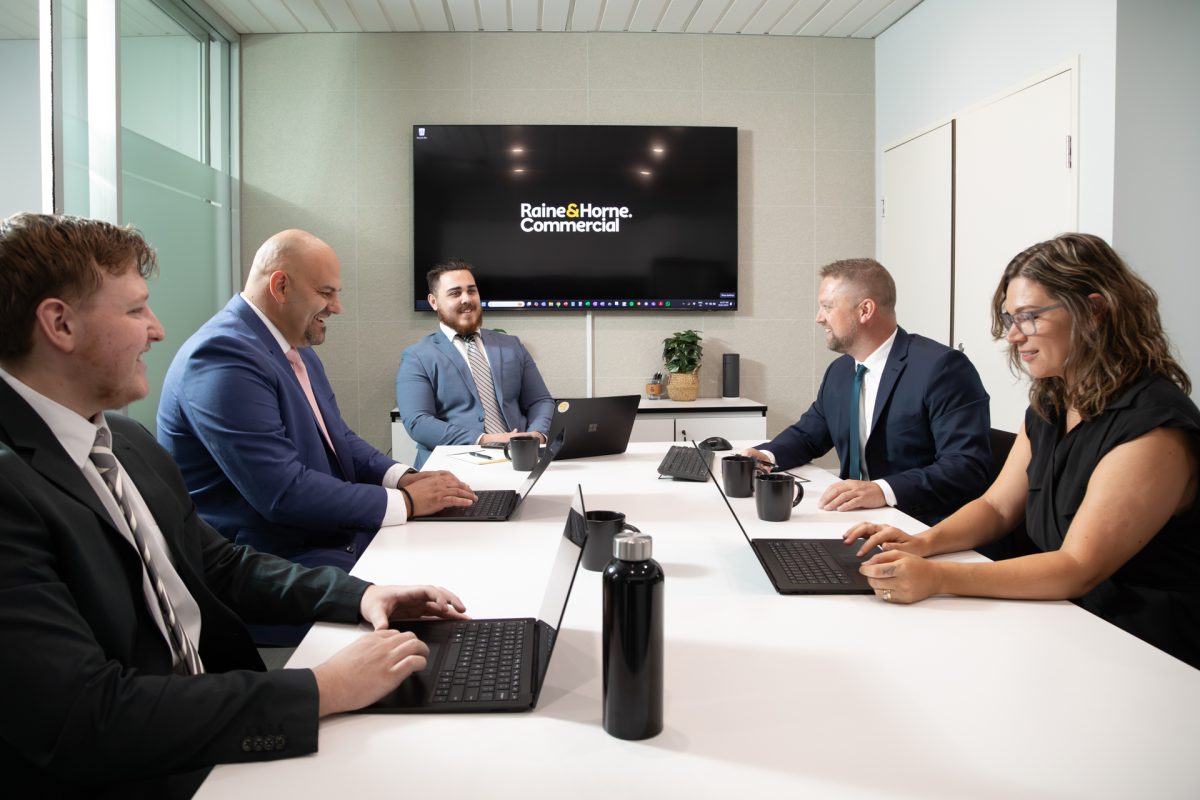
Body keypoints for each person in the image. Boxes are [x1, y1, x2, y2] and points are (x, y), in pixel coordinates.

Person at [0, 213, 468, 797]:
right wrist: (323, 688)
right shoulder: (11, 488)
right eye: (135, 309)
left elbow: (222, 565)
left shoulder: (123, 440)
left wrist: (364, 595)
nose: (158, 330)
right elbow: (86, 716)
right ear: (59, 323)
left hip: (209, 709)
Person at [847, 234, 1200, 669]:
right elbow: (997, 507)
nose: (1013, 336)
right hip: (1066, 620)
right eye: (1010, 318)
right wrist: (923, 542)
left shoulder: (1155, 426)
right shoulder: (1051, 404)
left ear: (1094, 310)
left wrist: (939, 576)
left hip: (1145, 647)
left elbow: (1078, 567)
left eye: (1030, 317)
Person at [158, 230, 477, 575]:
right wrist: (409, 503)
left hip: (323, 539)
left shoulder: (296, 350)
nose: (337, 307)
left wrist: (403, 478)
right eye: (326, 293)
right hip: (274, 566)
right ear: (280, 287)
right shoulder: (222, 357)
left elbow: (338, 438)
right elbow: (284, 492)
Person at [742, 258, 991, 525]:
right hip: (854, 519)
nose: (819, 318)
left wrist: (882, 490)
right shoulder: (841, 371)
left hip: (922, 523)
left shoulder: (942, 368)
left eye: (827, 307)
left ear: (865, 310)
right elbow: (808, 435)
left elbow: (966, 466)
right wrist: (765, 455)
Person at [396, 258, 555, 468]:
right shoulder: (417, 356)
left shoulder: (511, 345)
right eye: (455, 293)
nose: (466, 299)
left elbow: (540, 400)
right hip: (453, 468)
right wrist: (486, 440)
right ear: (434, 302)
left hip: (521, 460)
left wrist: (537, 435)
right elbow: (418, 422)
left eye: (471, 291)